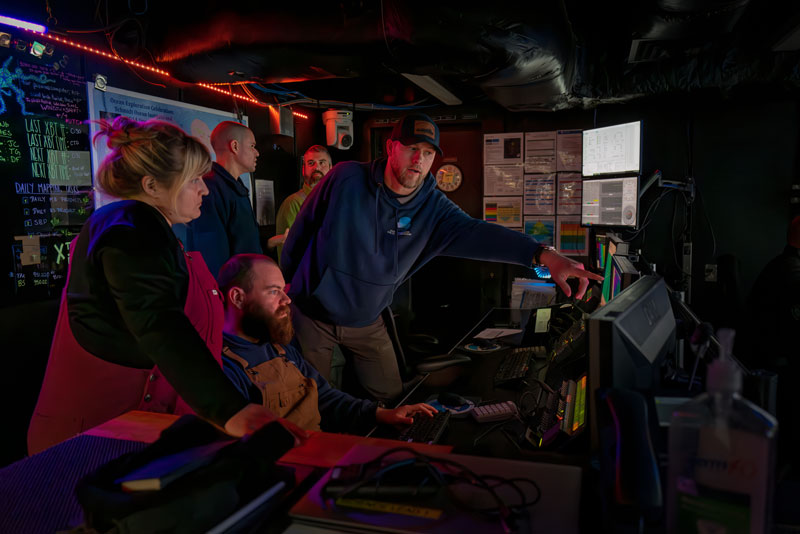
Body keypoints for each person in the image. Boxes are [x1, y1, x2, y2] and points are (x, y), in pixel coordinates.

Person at [281, 112, 603, 402]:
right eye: (411, 148)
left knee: (395, 400)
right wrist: (292, 289)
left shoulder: (433, 209)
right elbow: (299, 233)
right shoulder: (345, 179)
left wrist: (543, 254)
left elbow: (481, 233)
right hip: (313, 315)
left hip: (367, 320)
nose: (418, 159)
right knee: (310, 403)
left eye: (428, 152)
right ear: (391, 147)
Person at [28, 117, 298, 455]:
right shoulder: (129, 226)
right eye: (196, 180)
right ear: (153, 186)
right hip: (96, 439)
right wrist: (232, 411)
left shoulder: (143, 227)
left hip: (137, 431)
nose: (204, 189)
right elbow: (158, 321)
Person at [218, 254, 436, 433]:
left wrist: (382, 413)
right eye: (274, 292)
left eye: (284, 290)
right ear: (237, 298)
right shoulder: (224, 366)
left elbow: (326, 397)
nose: (287, 300)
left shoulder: (280, 348)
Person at [186, 121, 261, 278]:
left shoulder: (233, 185)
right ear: (234, 146)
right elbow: (211, 254)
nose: (257, 153)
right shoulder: (211, 189)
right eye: (252, 146)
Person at [272, 145, 332, 263]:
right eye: (311, 163)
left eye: (322, 162)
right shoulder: (293, 203)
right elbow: (289, 253)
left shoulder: (337, 200)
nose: (317, 167)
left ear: (331, 168)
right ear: (303, 169)